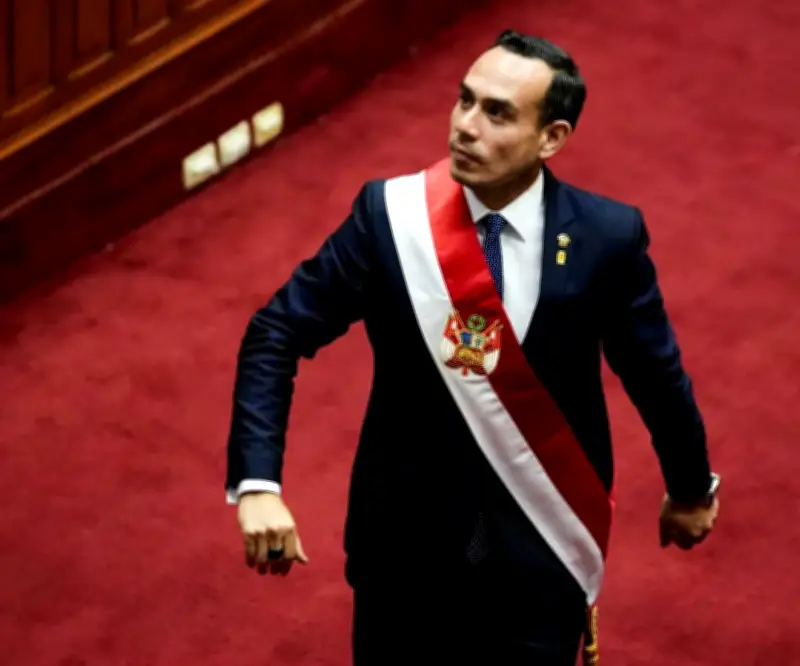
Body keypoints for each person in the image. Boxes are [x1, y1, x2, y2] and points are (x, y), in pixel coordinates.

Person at [224, 30, 720, 665]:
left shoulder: (606, 237)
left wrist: (690, 487)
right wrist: (258, 482)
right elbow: (277, 331)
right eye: (465, 100)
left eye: (498, 113)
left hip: (540, 552)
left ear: (552, 138)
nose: (464, 126)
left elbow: (655, 374)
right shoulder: (391, 218)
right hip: (403, 553)